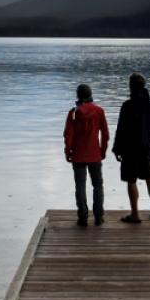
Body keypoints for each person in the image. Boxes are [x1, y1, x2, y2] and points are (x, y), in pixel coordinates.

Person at [112, 73, 150, 223]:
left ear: (131, 86)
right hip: (146, 148)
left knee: (131, 180)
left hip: (130, 149)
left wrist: (117, 149)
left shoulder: (128, 105)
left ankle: (135, 214)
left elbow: (121, 129)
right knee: (148, 176)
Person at [62, 84, 110, 226]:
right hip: (95, 154)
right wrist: (103, 150)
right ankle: (98, 217)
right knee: (97, 185)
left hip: (78, 155)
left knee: (80, 186)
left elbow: (68, 135)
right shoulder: (99, 111)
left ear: (78, 95)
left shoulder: (74, 113)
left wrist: (68, 151)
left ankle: (82, 218)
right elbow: (105, 134)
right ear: (90, 94)